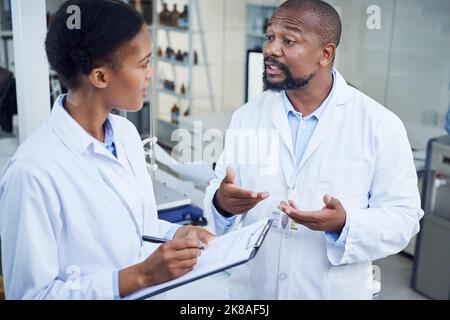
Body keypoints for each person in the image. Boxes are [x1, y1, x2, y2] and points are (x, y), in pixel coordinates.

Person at [205, 0, 423, 299]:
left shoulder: (379, 125)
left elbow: (404, 219)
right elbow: (220, 190)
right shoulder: (247, 116)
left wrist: (345, 224)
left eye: (289, 40)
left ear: (325, 53)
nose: (271, 49)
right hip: (254, 291)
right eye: (270, 37)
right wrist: (222, 202)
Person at [0, 0, 213, 300]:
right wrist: (140, 275)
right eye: (143, 64)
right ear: (100, 77)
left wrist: (178, 234)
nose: (151, 73)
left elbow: (140, 225)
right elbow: (31, 295)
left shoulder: (125, 134)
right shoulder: (32, 171)